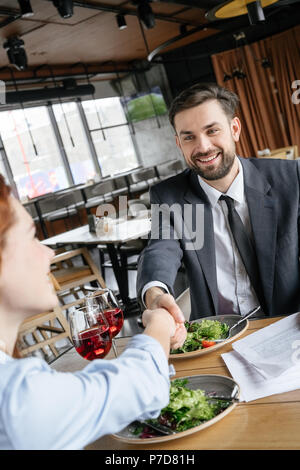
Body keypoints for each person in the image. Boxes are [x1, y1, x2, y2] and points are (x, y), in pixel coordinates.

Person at [0, 175, 186, 450]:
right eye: (31, 238)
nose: (48, 253)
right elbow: (138, 384)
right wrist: (158, 323)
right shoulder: (16, 399)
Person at [137, 82, 300, 322]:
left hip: (290, 324)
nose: (202, 147)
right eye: (189, 137)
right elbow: (161, 249)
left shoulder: (290, 178)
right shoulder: (169, 196)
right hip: (219, 335)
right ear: (179, 144)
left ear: (234, 129)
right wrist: (154, 294)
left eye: (212, 131)